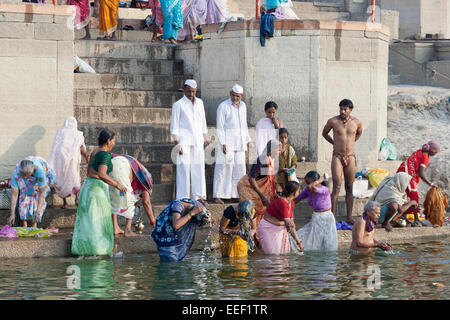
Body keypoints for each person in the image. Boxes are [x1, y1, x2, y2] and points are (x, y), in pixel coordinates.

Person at [71, 129, 127, 256]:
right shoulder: (105, 155)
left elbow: (90, 171)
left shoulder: (94, 152)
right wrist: (117, 184)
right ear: (108, 141)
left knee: (87, 220)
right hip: (97, 190)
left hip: (88, 186)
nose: (114, 143)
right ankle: (98, 249)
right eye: (113, 140)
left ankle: (84, 249)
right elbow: (102, 174)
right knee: (97, 220)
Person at [322, 99, 363, 225]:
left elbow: (359, 134)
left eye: (345, 109)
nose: (342, 111)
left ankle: (349, 216)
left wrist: (350, 144)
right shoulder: (333, 121)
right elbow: (324, 133)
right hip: (337, 156)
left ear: (350, 110)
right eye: (341, 109)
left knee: (349, 187)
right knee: (337, 185)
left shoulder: (357, 122)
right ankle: (332, 216)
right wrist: (335, 143)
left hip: (350, 157)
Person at [170, 79, 210, 205]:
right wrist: (177, 142)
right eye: (188, 91)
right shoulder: (178, 104)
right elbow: (174, 124)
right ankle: (183, 197)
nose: (191, 94)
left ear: (196, 91)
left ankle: (199, 196)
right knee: (184, 168)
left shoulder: (200, 103)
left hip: (198, 139)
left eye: (193, 91)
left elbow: (202, 121)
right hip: (184, 140)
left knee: (199, 167)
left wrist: (205, 137)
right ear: (184, 90)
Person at [213, 84, 251, 204]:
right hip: (227, 144)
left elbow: (244, 125)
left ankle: (236, 194)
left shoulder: (243, 106)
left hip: (239, 144)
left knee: (239, 169)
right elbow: (220, 126)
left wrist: (247, 140)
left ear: (241, 96)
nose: (235, 98)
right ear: (230, 94)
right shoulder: (223, 106)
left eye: (238, 96)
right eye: (233, 95)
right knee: (224, 168)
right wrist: (223, 142)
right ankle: (218, 195)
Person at [48, 116, 89, 209]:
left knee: (62, 180)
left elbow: (55, 148)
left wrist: (52, 162)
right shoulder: (77, 134)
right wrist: (86, 156)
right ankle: (77, 199)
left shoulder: (60, 133)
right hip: (72, 161)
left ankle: (65, 203)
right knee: (74, 179)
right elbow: (81, 147)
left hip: (60, 161)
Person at [110, 154, 156, 236]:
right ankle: (127, 230)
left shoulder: (140, 175)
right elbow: (146, 203)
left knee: (115, 196)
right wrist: (153, 223)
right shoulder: (146, 182)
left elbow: (121, 195)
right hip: (122, 167)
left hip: (113, 163)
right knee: (130, 198)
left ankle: (115, 227)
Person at [237, 139, 280, 226]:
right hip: (247, 187)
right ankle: (248, 234)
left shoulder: (271, 159)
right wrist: (262, 196)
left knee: (262, 211)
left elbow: (266, 176)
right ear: (272, 149)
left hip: (258, 189)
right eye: (278, 150)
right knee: (251, 211)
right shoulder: (263, 160)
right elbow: (252, 179)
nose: (279, 152)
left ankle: (257, 234)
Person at [396, 141, 440, 224]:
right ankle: (415, 218)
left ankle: (404, 216)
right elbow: (421, 173)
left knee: (405, 195)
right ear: (433, 151)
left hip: (401, 171)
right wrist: (431, 184)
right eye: (436, 152)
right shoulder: (425, 157)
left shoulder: (419, 151)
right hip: (407, 176)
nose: (435, 154)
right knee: (414, 196)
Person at [292, 171, 338, 251]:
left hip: (326, 218)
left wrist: (321, 179)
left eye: (308, 182)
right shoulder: (308, 190)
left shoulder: (324, 189)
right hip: (316, 217)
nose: (306, 185)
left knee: (327, 244)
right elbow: (297, 199)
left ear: (314, 181)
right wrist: (286, 203)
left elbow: (311, 187)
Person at [7, 157, 57, 228]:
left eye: (27, 176)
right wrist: (12, 214)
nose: (25, 178)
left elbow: (42, 194)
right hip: (26, 171)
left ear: (32, 171)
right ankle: (24, 223)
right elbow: (14, 195)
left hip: (39, 171)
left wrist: (38, 212)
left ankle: (35, 223)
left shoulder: (40, 172)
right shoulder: (16, 173)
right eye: (23, 175)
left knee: (36, 196)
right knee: (23, 196)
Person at [257, 181, 304, 255]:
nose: (299, 192)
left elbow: (291, 224)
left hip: (279, 229)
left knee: (281, 257)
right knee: (271, 255)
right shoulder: (282, 202)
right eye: (298, 190)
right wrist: (298, 242)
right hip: (267, 228)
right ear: (294, 192)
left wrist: (299, 242)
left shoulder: (291, 203)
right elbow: (289, 225)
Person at [275, 128, 297, 193]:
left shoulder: (290, 149)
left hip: (288, 178)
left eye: (285, 137)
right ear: (277, 138)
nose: (283, 140)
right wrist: (279, 169)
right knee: (279, 194)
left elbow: (294, 160)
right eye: (281, 138)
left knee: (288, 194)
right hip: (277, 178)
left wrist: (293, 167)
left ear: (287, 138)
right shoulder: (274, 149)